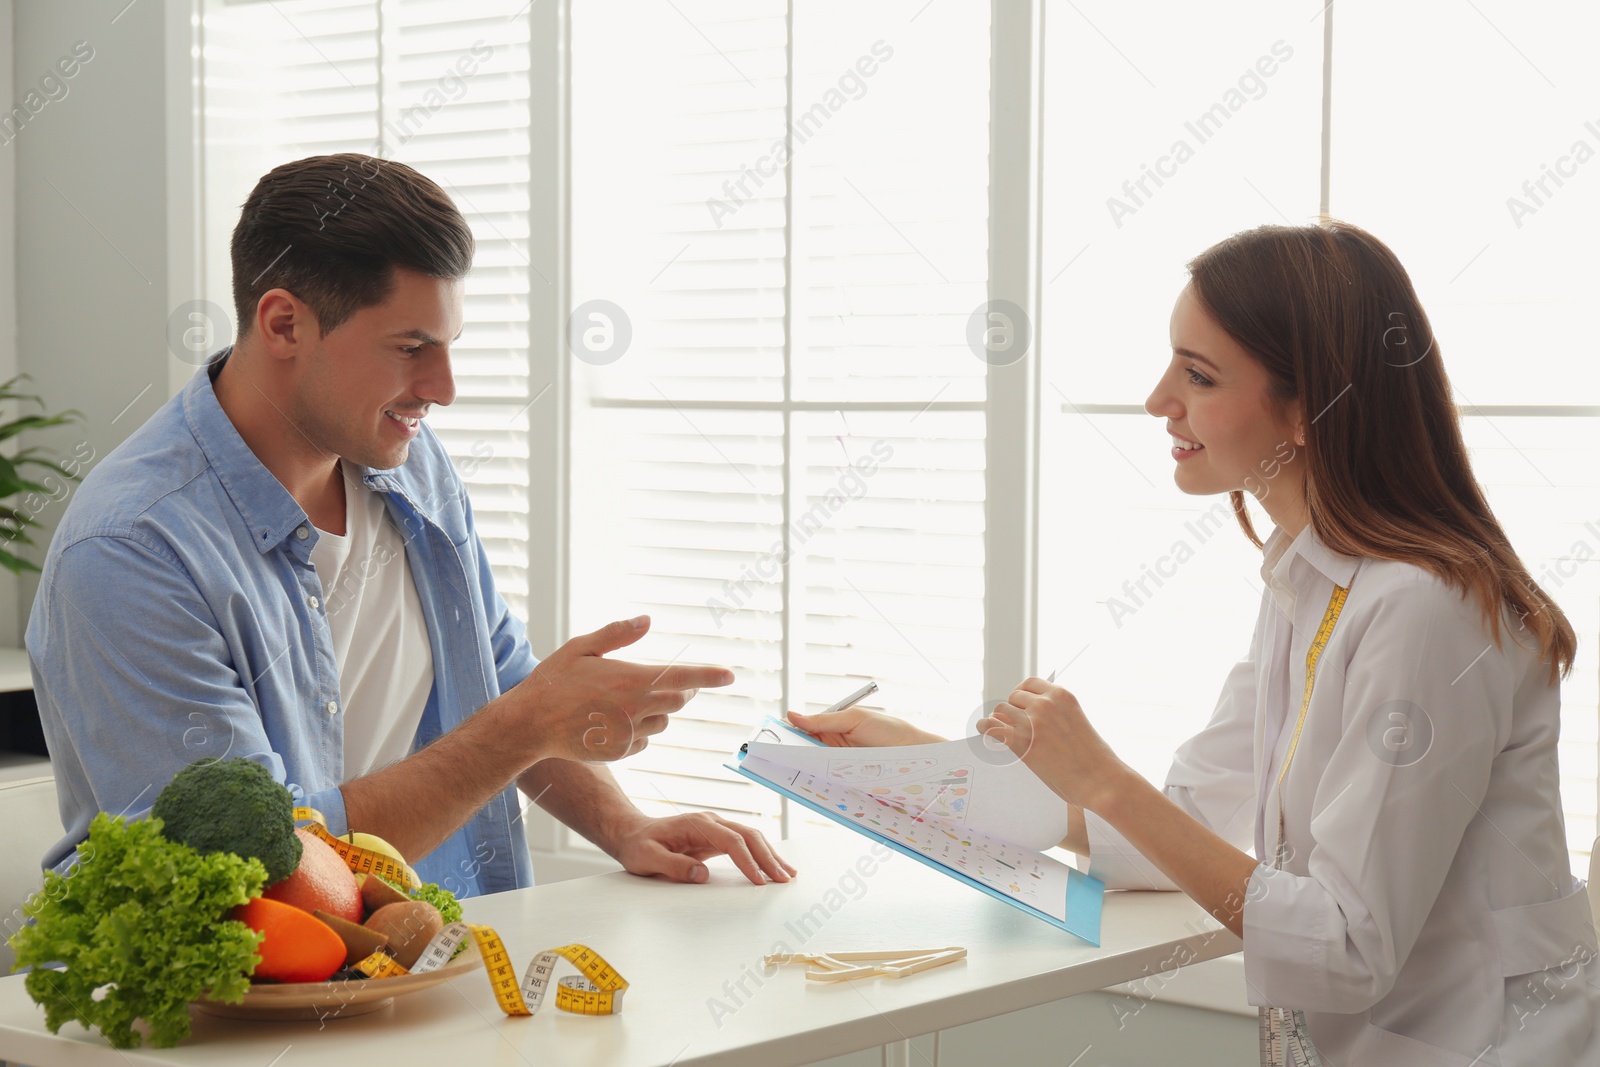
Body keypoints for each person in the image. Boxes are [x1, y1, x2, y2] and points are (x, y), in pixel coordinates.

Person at [790, 221, 1597, 1065]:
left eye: (1199, 374)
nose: (1158, 399)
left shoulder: (1424, 609)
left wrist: (1104, 776)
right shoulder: (1310, 579)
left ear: (1307, 408)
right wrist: (920, 765)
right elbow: (1180, 829)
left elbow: (1348, 944)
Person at [28, 153, 794, 897]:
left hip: (413, 967)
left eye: (449, 346)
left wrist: (626, 826)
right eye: (410, 348)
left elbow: (491, 679)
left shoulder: (406, 462)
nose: (444, 388)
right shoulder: (132, 551)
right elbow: (258, 865)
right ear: (286, 324)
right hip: (223, 1009)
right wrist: (524, 726)